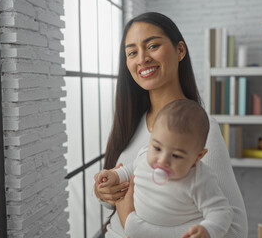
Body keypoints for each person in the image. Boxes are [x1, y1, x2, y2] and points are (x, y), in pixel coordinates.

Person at [93, 12, 248, 238]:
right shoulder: (131, 121)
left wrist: (131, 222)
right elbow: (128, 189)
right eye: (132, 52)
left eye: (153, 46)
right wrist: (104, 194)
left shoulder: (203, 132)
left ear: (180, 50)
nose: (142, 58)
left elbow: (235, 230)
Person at [95, 99, 234, 238]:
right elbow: (131, 169)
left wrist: (208, 230)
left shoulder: (200, 179)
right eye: (157, 148)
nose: (162, 161)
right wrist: (115, 175)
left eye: (176, 156)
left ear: (198, 156)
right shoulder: (145, 155)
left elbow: (221, 211)